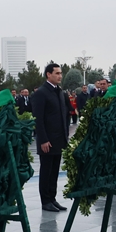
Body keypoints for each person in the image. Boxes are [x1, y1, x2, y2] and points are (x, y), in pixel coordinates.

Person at [32, 64, 71, 212]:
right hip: (47, 140)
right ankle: (45, 201)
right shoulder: (41, 93)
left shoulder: (59, 92)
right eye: (57, 73)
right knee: (46, 170)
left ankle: (52, 198)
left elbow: (64, 115)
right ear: (48, 74)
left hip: (59, 138)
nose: (60, 76)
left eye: (61, 73)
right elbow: (38, 118)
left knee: (55, 170)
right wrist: (42, 139)